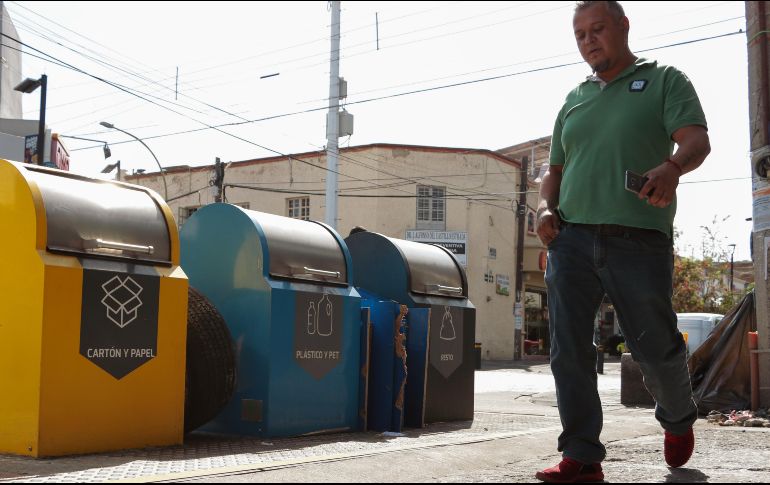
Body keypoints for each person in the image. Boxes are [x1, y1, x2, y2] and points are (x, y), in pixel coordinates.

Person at [534, 1, 710, 482]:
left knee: (653, 349)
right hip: (570, 240)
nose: (589, 40)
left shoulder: (663, 79)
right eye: (580, 34)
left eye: (598, 29)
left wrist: (672, 168)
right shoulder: (573, 99)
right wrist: (546, 208)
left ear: (623, 27)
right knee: (568, 349)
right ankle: (582, 455)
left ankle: (677, 417)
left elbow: (695, 140)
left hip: (639, 239)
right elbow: (553, 173)